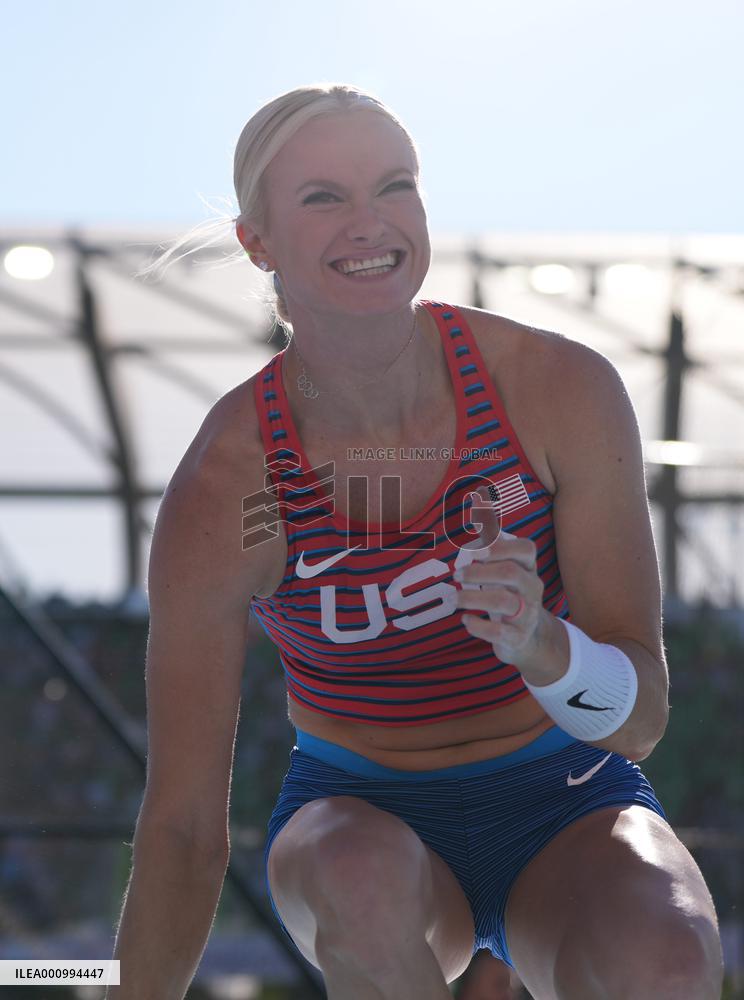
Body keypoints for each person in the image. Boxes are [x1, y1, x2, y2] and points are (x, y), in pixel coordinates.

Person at [107, 83, 724, 1000]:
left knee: (663, 963)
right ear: (258, 241)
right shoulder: (229, 484)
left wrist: (542, 647)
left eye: (394, 186)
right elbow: (184, 825)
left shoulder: (556, 389)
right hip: (360, 813)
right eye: (324, 197)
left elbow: (640, 722)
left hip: (569, 798)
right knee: (358, 884)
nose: (371, 223)